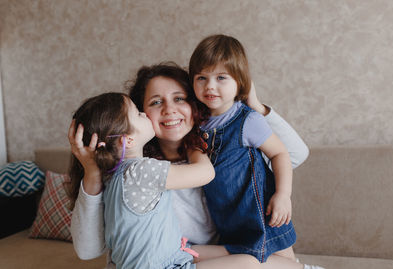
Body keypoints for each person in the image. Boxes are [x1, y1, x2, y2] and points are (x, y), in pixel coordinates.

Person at [69, 62, 316, 268]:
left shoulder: (220, 151)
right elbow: (88, 250)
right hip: (178, 260)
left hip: (206, 256)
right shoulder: (138, 171)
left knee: (266, 257)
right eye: (155, 102)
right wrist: (91, 173)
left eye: (180, 98)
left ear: (196, 105)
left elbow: (294, 153)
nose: (169, 110)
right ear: (141, 113)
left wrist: (256, 107)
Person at [69, 91, 267, 269]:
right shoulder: (143, 171)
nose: (169, 109)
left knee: (255, 258)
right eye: (142, 110)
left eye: (179, 98)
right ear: (127, 140)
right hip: (171, 263)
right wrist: (194, 145)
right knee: (252, 262)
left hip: (179, 255)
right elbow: (205, 173)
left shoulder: (115, 175)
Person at [188, 34, 318, 267]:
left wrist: (283, 195)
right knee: (251, 259)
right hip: (229, 219)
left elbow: (281, 154)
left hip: (262, 213)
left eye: (221, 77)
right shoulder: (197, 123)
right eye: (201, 78)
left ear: (240, 82)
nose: (210, 86)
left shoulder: (247, 120)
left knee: (282, 260)